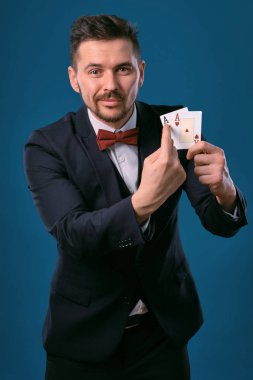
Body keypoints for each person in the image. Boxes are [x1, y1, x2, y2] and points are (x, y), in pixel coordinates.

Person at [24, 14, 247, 380]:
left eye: (123, 69)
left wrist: (225, 191)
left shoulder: (176, 123)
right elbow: (73, 235)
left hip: (163, 335)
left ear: (141, 72)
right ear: (74, 78)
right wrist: (144, 201)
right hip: (83, 338)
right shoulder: (45, 145)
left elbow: (219, 222)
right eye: (95, 71)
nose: (110, 85)